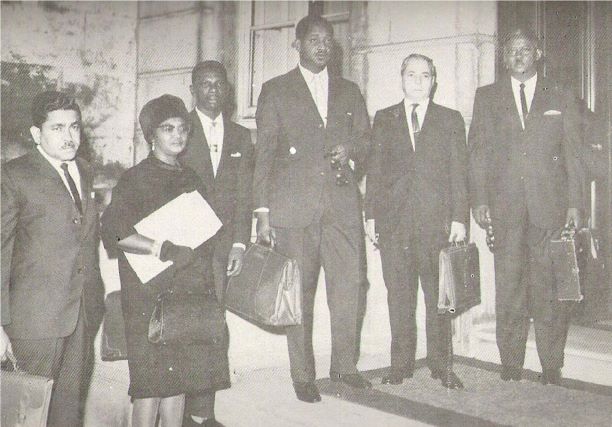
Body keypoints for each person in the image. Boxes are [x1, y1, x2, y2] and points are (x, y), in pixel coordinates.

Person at [253, 14, 372, 403]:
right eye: (314, 40)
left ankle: (345, 366)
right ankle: (303, 375)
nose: (323, 47)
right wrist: (262, 213)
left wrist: (350, 150)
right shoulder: (275, 90)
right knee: (298, 293)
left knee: (349, 287)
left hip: (341, 206)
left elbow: (367, 143)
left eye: (327, 41)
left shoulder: (349, 91)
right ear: (298, 45)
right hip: (293, 209)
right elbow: (264, 156)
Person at [101, 95, 230, 427]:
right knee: (150, 387)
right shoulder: (135, 179)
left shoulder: (191, 178)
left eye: (183, 128)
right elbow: (116, 234)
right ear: (151, 135)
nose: (177, 135)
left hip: (186, 293)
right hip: (148, 297)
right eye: (168, 128)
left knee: (178, 383)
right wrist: (164, 248)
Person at [469, 29, 585, 385]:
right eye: (511, 51)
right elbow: (478, 152)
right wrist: (480, 199)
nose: (518, 56)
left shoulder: (561, 94)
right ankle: (511, 362)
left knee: (548, 290)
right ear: (504, 57)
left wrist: (576, 203)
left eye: (524, 49)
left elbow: (574, 153)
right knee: (509, 287)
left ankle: (551, 365)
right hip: (504, 208)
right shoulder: (487, 97)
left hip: (550, 206)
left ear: (538, 53)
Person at [1, 91, 104, 426]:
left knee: (67, 415)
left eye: (74, 127)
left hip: (80, 316)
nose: (68, 136)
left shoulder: (84, 170)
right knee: (27, 416)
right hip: (32, 321)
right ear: (36, 133)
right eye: (57, 128)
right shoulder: (13, 175)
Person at [365, 54, 468, 389]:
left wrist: (459, 218)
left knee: (439, 299)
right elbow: (375, 172)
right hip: (394, 226)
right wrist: (371, 215)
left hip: (436, 226)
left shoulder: (450, 119)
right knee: (399, 298)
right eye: (412, 74)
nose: (418, 81)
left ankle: (442, 365)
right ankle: (400, 365)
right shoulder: (385, 118)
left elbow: (459, 173)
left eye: (425, 75)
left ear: (433, 81)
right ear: (402, 78)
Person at [179, 59, 253, 427]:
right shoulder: (178, 129)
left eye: (219, 84)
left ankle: (202, 413)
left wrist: (240, 243)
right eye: (205, 84)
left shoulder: (241, 136)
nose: (213, 90)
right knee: (182, 325)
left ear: (228, 90)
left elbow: (244, 194)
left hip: (222, 248)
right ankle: (176, 410)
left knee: (212, 327)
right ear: (192, 90)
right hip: (183, 248)